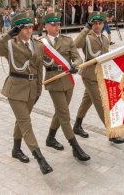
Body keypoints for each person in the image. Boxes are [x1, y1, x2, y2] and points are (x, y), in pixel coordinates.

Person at [0, 11, 53, 175]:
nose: (29, 30)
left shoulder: (37, 44)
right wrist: (8, 35)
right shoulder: (9, 44)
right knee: (25, 122)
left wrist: (38, 89)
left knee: (21, 120)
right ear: (18, 29)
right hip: (15, 89)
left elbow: (38, 68)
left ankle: (16, 150)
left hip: (31, 89)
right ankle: (40, 158)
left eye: (31, 27)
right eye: (24, 28)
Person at [42, 12, 90, 161]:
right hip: (53, 81)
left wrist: (75, 65)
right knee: (64, 114)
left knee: (60, 111)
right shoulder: (40, 43)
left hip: (68, 81)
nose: (57, 26)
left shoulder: (67, 40)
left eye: (58, 24)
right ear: (45, 26)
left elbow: (77, 57)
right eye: (53, 24)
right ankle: (75, 147)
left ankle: (50, 138)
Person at [73, 12, 124, 144]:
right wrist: (86, 28)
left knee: (87, 100)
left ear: (103, 24)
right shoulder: (87, 37)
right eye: (94, 23)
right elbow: (75, 45)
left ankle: (77, 125)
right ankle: (111, 132)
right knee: (101, 103)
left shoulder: (105, 39)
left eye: (100, 23)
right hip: (89, 74)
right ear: (91, 23)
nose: (97, 25)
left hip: (100, 74)